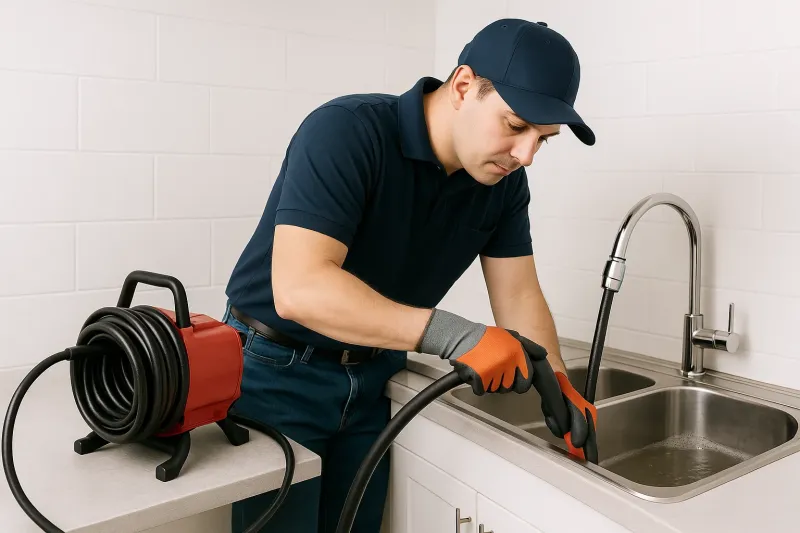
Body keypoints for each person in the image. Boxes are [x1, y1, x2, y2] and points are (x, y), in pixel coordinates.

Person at [221, 17, 598, 533]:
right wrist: (457, 336)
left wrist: (557, 383)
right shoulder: (346, 131)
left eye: (543, 139)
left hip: (376, 376)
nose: (526, 155)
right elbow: (300, 288)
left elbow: (519, 293)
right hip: (278, 369)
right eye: (515, 126)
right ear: (463, 86)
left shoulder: (502, 183)